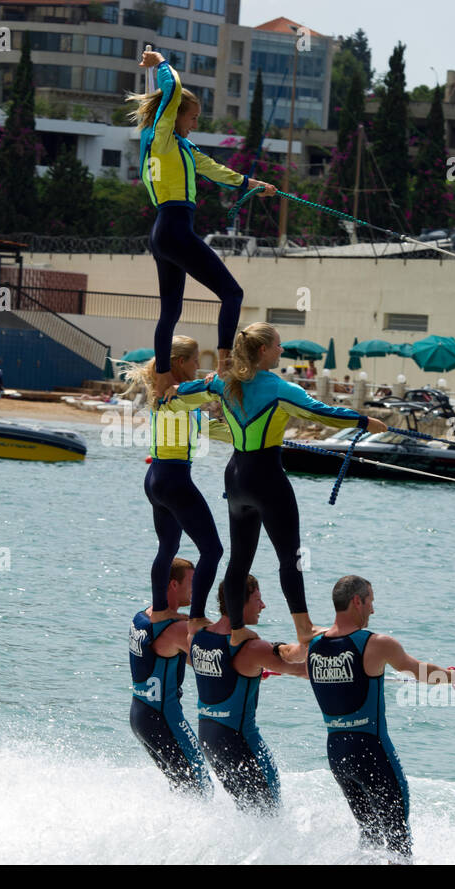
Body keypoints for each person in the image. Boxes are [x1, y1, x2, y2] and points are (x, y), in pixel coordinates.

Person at [167, 323, 386, 644]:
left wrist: (174, 391)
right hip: (266, 478)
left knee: (240, 559)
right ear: (262, 351)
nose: (282, 351)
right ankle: (303, 629)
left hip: (236, 478)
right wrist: (365, 421)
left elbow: (187, 391)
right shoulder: (279, 388)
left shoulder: (224, 383)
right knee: (290, 556)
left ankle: (236, 631)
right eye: (278, 346)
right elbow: (321, 413)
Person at [127, 48, 276, 399]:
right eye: (192, 118)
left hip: (163, 232)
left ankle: (163, 379)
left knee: (171, 311)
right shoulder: (161, 137)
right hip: (175, 229)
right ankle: (225, 367)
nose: (196, 124)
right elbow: (174, 87)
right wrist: (160, 62)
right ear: (175, 116)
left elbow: (216, 170)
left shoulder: (178, 146)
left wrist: (255, 186)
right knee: (232, 293)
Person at [306, 575, 455, 861]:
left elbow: (295, 664)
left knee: (369, 835)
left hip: (337, 755)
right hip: (371, 752)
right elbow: (417, 671)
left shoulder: (314, 646)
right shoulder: (376, 643)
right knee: (398, 839)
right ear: (357, 601)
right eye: (370, 600)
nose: (373, 609)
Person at [123, 335, 229, 638]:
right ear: (180, 363)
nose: (199, 366)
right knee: (213, 550)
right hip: (174, 480)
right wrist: (217, 380)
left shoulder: (171, 396)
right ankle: (196, 618)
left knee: (168, 547)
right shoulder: (176, 395)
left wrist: (247, 438)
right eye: (196, 361)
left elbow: (208, 427)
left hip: (156, 478)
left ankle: (160, 610)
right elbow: (213, 391)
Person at [191, 575, 307, 813]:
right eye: (258, 599)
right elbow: (303, 670)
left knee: (247, 814)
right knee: (270, 814)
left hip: (209, 738)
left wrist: (252, 671)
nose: (263, 606)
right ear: (239, 602)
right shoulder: (252, 647)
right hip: (241, 741)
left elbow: (217, 670)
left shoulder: (198, 637)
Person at [129, 557, 213, 796]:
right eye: (191, 582)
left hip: (141, 715)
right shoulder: (174, 629)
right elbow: (211, 658)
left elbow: (186, 658)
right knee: (201, 786)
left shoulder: (142, 617)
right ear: (173, 585)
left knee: (182, 787)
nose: (195, 589)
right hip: (164, 718)